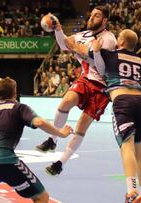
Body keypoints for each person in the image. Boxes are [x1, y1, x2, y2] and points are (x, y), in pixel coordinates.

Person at [68, 29, 141, 202]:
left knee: (126, 147)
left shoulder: (110, 55)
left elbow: (89, 56)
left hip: (122, 101)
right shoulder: (139, 60)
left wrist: (93, 48)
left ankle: (131, 193)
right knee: (140, 152)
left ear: (119, 42)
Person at [36, 5, 117, 176]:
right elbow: (65, 45)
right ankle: (53, 139)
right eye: (91, 15)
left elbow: (93, 58)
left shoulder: (109, 39)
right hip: (86, 78)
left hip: (101, 88)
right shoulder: (82, 35)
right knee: (65, 102)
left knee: (81, 127)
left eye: (96, 16)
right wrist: (58, 29)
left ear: (104, 21)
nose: (91, 18)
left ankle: (60, 163)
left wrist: (77, 46)